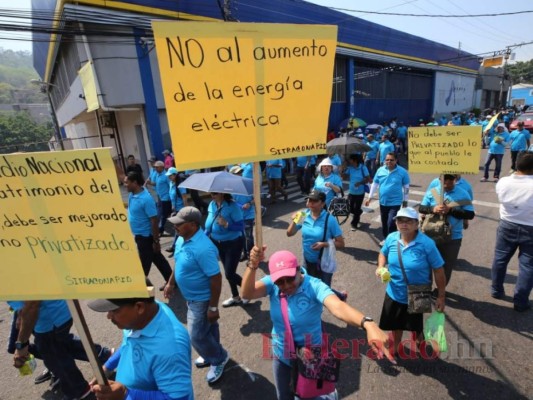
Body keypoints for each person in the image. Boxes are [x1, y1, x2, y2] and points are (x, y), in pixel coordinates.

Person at [241, 246, 395, 400]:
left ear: (298, 270)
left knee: (309, 394)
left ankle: (327, 395)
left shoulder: (314, 286)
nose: (286, 285)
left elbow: (338, 307)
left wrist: (368, 324)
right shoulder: (271, 284)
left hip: (310, 356)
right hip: (282, 354)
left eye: (290, 278)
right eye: (280, 282)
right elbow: (246, 293)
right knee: (284, 396)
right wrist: (252, 265)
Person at [164, 207, 230, 383]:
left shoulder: (203, 248)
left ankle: (218, 358)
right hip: (190, 297)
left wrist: (213, 307)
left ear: (193, 225)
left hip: (202, 300)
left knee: (196, 336)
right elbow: (178, 262)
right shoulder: (181, 239)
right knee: (208, 329)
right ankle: (212, 353)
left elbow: (216, 278)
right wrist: (171, 282)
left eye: (179, 223)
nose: (175, 226)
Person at [87, 291, 194, 400]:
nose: (109, 316)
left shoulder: (170, 350)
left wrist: (125, 394)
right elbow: (127, 344)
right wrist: (107, 367)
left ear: (139, 307)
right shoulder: (143, 316)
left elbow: (178, 398)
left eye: (114, 310)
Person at [376, 207, 446, 355]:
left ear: (416, 224)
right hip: (394, 291)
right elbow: (383, 253)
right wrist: (381, 267)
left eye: (409, 221)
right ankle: (395, 345)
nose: (404, 224)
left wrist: (441, 296)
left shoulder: (427, 244)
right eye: (400, 220)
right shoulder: (391, 238)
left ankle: (420, 337)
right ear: (396, 223)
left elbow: (438, 270)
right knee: (396, 323)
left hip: (418, 292)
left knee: (415, 325)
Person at [10, 300, 112, 400]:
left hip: (49, 319)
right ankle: (104, 355)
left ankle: (80, 393)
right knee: (61, 345)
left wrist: (21, 345)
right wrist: (20, 312)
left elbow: (32, 304)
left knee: (55, 358)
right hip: (53, 314)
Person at [490, 151, 533, 312]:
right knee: (528, 266)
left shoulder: (503, 182)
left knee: (500, 259)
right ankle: (521, 301)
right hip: (530, 228)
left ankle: (496, 290)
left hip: (507, 224)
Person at [286, 190, 346, 300]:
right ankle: (340, 296)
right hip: (307, 260)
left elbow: (341, 243)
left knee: (323, 290)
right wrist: (295, 220)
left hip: (323, 261)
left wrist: (324, 244)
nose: (310, 203)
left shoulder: (330, 220)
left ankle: (339, 297)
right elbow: (289, 233)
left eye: (314, 201)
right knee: (309, 286)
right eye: (309, 200)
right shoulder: (304, 215)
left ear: (322, 204)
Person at [419, 175, 475, 288]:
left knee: (446, 266)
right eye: (445, 182)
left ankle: (440, 290)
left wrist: (451, 210)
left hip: (453, 237)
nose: (447, 185)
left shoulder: (463, 193)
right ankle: (425, 289)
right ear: (440, 180)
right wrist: (432, 209)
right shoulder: (432, 192)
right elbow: (421, 208)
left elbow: (470, 214)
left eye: (450, 182)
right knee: (426, 264)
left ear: (454, 180)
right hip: (431, 235)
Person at [124, 172, 172, 289]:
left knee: (143, 266)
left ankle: (139, 289)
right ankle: (171, 281)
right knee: (158, 259)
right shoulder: (133, 193)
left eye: (127, 183)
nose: (125, 185)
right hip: (140, 236)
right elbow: (121, 174)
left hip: (146, 238)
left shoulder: (146, 199)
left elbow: (154, 221)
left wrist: (156, 241)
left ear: (135, 183)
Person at [205, 192, 246, 307]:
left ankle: (251, 289)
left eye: (215, 193)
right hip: (217, 243)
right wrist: (203, 237)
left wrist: (227, 224)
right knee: (228, 271)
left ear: (222, 193)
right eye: (211, 193)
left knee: (229, 274)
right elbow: (210, 225)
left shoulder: (232, 206)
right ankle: (236, 297)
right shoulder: (212, 205)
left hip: (233, 243)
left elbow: (241, 226)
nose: (212, 195)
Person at [365, 152, 410, 245]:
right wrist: (369, 197)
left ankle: (392, 241)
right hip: (383, 202)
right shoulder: (380, 170)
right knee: (384, 223)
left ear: (396, 160)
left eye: (391, 160)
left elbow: (406, 187)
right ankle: (386, 238)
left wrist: (405, 201)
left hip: (396, 203)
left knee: (391, 223)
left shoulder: (402, 171)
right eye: (387, 159)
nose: (389, 161)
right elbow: (374, 184)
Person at [230, 165, 256, 261]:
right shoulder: (229, 188)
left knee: (248, 236)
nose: (240, 174)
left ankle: (252, 256)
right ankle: (245, 253)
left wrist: (249, 203)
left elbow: (256, 198)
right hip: (237, 215)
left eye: (240, 172)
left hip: (249, 214)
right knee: (241, 236)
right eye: (237, 173)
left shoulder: (248, 184)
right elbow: (230, 200)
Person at [343, 153, 370, 231]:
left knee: (356, 208)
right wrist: (343, 170)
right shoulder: (350, 168)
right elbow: (343, 177)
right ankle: (359, 212)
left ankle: (354, 223)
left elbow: (367, 178)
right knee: (350, 208)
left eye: (350, 159)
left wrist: (360, 183)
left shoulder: (363, 168)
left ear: (355, 160)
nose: (349, 161)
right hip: (351, 192)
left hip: (360, 193)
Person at [145, 161, 172, 236]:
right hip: (159, 197)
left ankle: (160, 229)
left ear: (162, 167)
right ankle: (159, 227)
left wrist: (171, 197)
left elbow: (170, 186)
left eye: (157, 167)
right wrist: (150, 183)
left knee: (163, 214)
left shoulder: (166, 175)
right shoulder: (157, 175)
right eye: (155, 167)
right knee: (160, 213)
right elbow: (156, 183)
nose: (155, 168)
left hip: (166, 198)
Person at [164, 167, 187, 255]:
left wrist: (185, 210)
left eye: (170, 175)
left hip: (181, 210)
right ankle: (177, 246)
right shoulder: (171, 183)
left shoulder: (181, 185)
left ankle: (174, 247)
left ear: (175, 175)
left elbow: (184, 198)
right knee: (178, 228)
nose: (169, 177)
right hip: (175, 209)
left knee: (178, 229)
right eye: (168, 175)